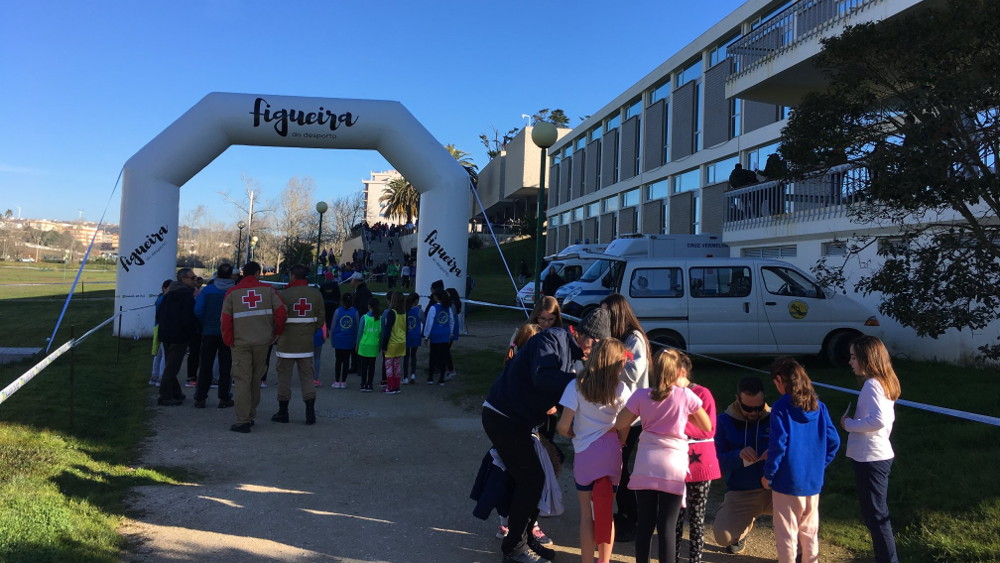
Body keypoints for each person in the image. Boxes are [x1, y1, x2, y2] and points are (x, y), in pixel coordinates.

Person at [483, 307, 610, 563]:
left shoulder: (574, 351)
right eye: (595, 344)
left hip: (522, 420)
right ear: (587, 335)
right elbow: (543, 377)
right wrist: (582, 379)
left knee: (534, 479)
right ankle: (514, 549)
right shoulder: (551, 339)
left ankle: (525, 538)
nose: (593, 350)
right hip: (503, 416)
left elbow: (555, 387)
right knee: (530, 479)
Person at [613, 349, 711, 563]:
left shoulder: (641, 395)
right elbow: (706, 425)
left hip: (646, 463)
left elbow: (620, 423)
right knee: (667, 526)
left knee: (645, 524)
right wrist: (685, 416)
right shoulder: (685, 396)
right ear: (678, 372)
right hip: (673, 465)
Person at [557, 338, 631, 563]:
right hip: (611, 451)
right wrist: (621, 442)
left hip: (585, 453)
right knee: (606, 512)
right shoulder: (621, 388)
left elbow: (562, 426)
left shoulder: (576, 385)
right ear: (617, 364)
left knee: (586, 515)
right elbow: (624, 425)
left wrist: (571, 434)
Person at [762, 357, 841, 563]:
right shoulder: (819, 407)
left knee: (786, 535)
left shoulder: (780, 408)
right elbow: (834, 441)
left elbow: (778, 444)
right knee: (809, 532)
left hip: (787, 482)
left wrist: (769, 474)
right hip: (812, 483)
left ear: (780, 380)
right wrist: (818, 465)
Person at [842, 336, 901, 563]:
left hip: (871, 457)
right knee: (874, 514)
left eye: (854, 357)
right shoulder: (883, 381)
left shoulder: (873, 384)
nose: (850, 362)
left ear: (868, 359)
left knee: (876, 516)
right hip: (874, 455)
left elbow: (878, 420)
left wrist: (849, 424)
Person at [598, 294, 649, 544]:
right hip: (619, 414)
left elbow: (633, 371)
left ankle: (633, 517)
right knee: (618, 466)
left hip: (633, 417)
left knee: (622, 468)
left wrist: (608, 362)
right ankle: (626, 512)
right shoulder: (618, 338)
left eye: (606, 313)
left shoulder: (634, 338)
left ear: (617, 313)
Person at [221, 261, 287, 433]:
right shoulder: (269, 290)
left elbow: (225, 321)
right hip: (262, 342)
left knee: (242, 380)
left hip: (240, 343)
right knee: (255, 380)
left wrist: (229, 341)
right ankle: (250, 415)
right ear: (258, 273)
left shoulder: (232, 293)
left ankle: (242, 420)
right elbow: (281, 312)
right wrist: (277, 332)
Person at [713, 376, 772, 554]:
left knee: (802, 520)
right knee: (723, 537)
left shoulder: (775, 417)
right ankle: (743, 528)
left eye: (758, 407)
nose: (753, 413)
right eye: (748, 408)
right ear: (737, 399)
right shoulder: (723, 421)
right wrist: (738, 455)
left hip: (775, 488)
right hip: (742, 492)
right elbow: (715, 462)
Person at [675, 366, 721, 563]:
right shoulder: (668, 393)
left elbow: (709, 430)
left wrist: (677, 427)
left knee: (697, 517)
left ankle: (695, 559)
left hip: (700, 465)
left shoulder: (703, 393)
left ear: (682, 371)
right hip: (675, 463)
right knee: (674, 517)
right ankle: (672, 557)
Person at [272, 264, 325, 425]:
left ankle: (283, 412)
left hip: (286, 343)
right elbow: (320, 319)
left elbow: (277, 318)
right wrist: (308, 331)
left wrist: (277, 334)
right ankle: (310, 412)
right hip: (306, 343)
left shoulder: (284, 294)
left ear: (293, 276)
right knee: (307, 378)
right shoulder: (316, 294)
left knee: (284, 378)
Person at [193, 263, 235, 409]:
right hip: (228, 333)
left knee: (205, 365)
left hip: (209, 332)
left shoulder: (208, 290)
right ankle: (224, 397)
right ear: (231, 275)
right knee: (226, 366)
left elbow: (198, 310)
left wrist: (206, 323)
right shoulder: (233, 291)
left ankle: (200, 397)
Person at [155, 268, 199, 406]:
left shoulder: (169, 294)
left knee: (171, 364)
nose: (195, 280)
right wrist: (191, 332)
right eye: (192, 278)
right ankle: (165, 395)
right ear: (184, 279)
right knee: (172, 367)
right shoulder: (186, 295)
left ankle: (175, 392)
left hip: (166, 333)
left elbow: (159, 314)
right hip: (178, 335)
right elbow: (187, 318)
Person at [422, 289, 453, 385]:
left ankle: (430, 377)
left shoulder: (433, 308)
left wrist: (426, 335)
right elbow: (451, 321)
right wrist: (450, 332)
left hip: (436, 334)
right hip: (445, 334)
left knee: (433, 356)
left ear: (436, 297)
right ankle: (441, 379)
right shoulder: (448, 308)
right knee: (443, 356)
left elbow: (429, 322)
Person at [380, 292, 407, 394]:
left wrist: (384, 344)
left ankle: (391, 386)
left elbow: (387, 330)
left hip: (392, 342)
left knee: (389, 365)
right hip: (401, 341)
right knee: (396, 365)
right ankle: (396, 386)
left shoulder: (392, 313)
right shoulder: (404, 313)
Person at [330, 293, 358, 389]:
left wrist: (332, 340)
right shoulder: (355, 312)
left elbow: (333, 327)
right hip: (349, 340)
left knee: (338, 360)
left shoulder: (338, 311)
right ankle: (344, 381)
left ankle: (337, 380)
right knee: (346, 360)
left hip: (338, 339)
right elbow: (357, 327)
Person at [149, 278, 172, 386]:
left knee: (158, 353)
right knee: (163, 353)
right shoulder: (164, 299)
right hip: (162, 327)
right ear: (165, 288)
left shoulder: (160, 298)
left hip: (157, 326)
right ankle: (161, 377)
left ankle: (154, 375)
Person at [356, 297, 381, 392]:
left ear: (368, 306)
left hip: (364, 345)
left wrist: (357, 344)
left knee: (364, 366)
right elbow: (381, 333)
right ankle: (369, 384)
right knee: (372, 366)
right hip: (374, 345)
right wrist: (380, 345)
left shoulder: (364, 318)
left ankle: (363, 384)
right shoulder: (380, 319)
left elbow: (360, 333)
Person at [349, 272, 372, 374]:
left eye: (352, 280)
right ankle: (355, 365)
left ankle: (359, 366)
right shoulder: (360, 291)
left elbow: (362, 307)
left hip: (361, 321)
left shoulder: (362, 292)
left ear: (356, 280)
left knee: (359, 344)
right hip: (359, 320)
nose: (351, 281)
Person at [403, 292, 423, 385]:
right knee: (414, 355)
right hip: (416, 335)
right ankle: (413, 374)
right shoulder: (418, 311)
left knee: (406, 356)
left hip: (406, 335)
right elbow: (424, 320)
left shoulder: (404, 310)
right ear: (416, 301)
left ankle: (405, 377)